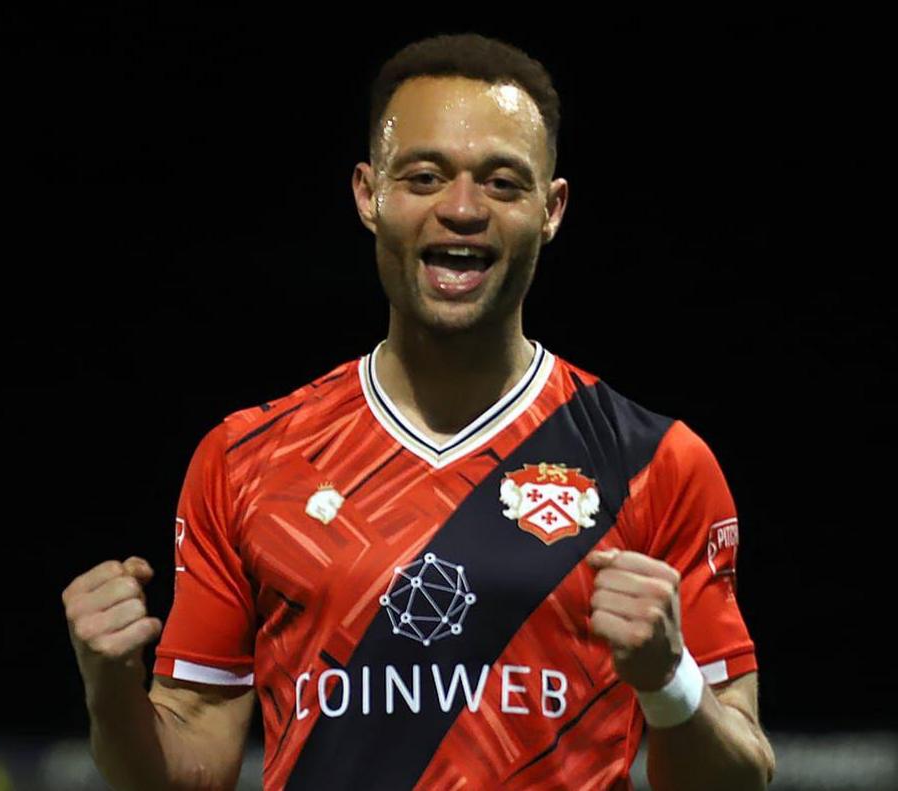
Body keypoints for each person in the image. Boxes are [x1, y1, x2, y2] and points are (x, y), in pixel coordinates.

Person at [62, 33, 775, 790]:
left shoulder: (655, 463)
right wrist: (108, 687)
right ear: (369, 194)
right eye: (425, 176)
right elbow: (188, 768)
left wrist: (670, 680)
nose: (461, 209)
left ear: (551, 208)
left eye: (502, 182)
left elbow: (740, 773)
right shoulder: (245, 459)